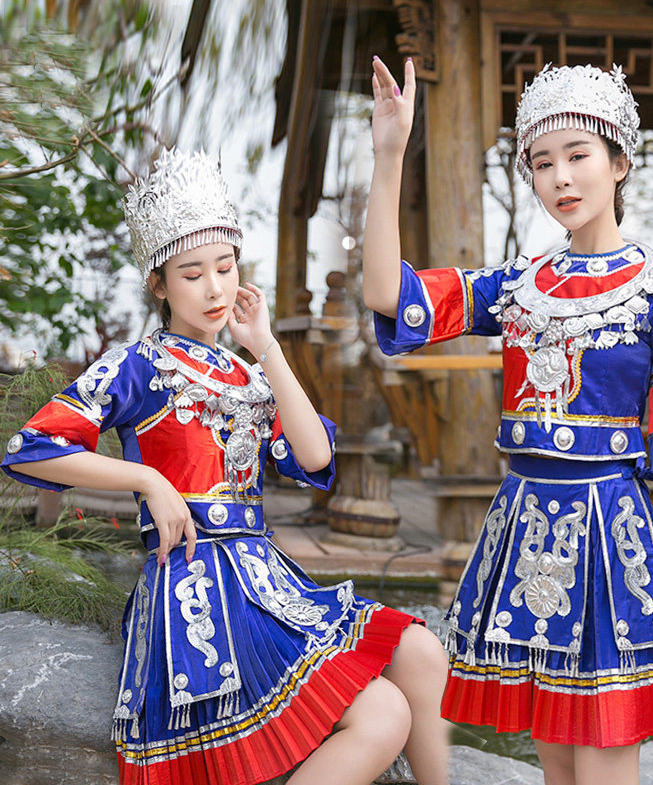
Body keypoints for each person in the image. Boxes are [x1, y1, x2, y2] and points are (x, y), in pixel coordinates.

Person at [2, 148, 449, 785]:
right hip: (197, 589)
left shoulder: (247, 372)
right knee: (381, 716)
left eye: (224, 266)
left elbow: (316, 458)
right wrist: (148, 479)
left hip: (266, 579)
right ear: (158, 283)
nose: (214, 288)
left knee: (422, 651)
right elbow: (33, 450)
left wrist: (266, 346)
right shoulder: (136, 366)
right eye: (191, 274)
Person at [363, 58, 653, 785]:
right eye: (542, 162)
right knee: (556, 770)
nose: (561, 178)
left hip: (614, 540)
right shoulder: (518, 285)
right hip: (524, 535)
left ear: (620, 163)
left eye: (578, 156)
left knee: (605, 768)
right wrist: (390, 155)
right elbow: (389, 293)